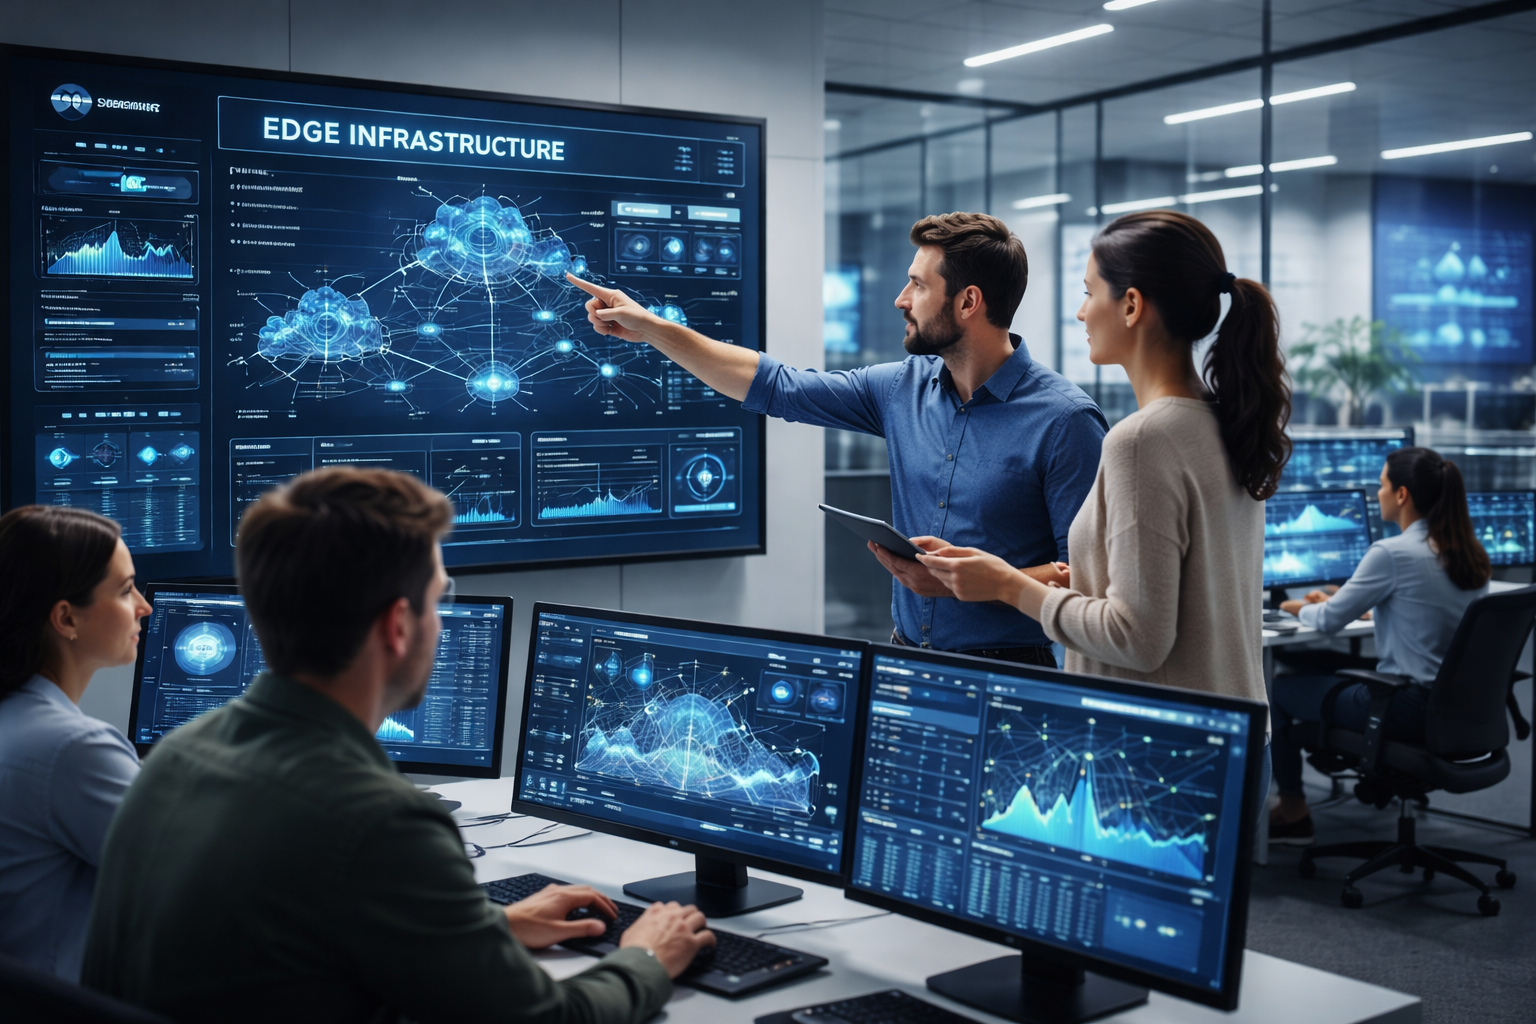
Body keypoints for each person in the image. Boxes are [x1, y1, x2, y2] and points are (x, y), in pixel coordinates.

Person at [82, 467, 713, 1023]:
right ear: (397, 626)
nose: (441, 621)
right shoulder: (382, 822)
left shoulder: (176, 756)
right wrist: (646, 958)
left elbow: (289, 934)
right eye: (438, 600)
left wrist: (483, 929)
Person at [569, 212, 1106, 667]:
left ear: (968, 302)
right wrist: (652, 329)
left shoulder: (1065, 421)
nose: (901, 299)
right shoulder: (900, 388)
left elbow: (1093, 581)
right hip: (905, 659)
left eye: (918, 285)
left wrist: (982, 581)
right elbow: (775, 386)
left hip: (1010, 669)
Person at [913, 210, 1291, 795]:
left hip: (1158, 756)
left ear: (1132, 305)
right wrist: (1080, 579)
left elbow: (1136, 637)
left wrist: (1006, 585)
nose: (1081, 311)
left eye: (1090, 293)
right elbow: (1177, 594)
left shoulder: (1143, 440)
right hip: (1222, 742)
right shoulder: (1218, 422)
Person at [1267, 448, 1492, 845]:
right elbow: (1430, 610)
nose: (1378, 493)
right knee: (1316, 669)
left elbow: (1328, 621)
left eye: (1383, 485)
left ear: (1402, 494)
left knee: (1278, 691)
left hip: (1404, 707)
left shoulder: (1391, 553)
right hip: (1458, 708)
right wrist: (1366, 605)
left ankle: (1293, 811)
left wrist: (1295, 606)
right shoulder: (1469, 552)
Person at [0, 506, 149, 981]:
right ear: (66, 618)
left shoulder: (18, 718)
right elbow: (194, 877)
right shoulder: (73, 750)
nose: (144, 606)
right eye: (126, 590)